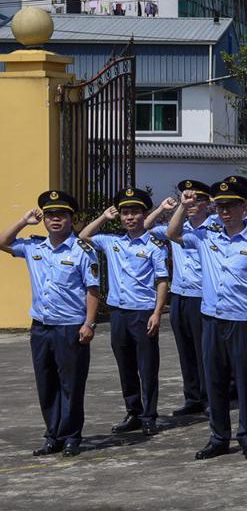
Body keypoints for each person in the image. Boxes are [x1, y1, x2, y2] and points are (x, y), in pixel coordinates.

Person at [167, 181, 247, 461]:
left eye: (231, 206)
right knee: (214, 382)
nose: (225, 211)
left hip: (244, 320)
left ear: (244, 207)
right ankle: (219, 437)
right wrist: (183, 206)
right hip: (213, 320)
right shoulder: (206, 237)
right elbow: (173, 233)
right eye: (221, 206)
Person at [1, 191, 101, 456]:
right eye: (50, 215)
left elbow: (93, 290)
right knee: (46, 384)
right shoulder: (34, 247)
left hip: (70, 326)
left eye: (62, 215)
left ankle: (71, 437)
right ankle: (52, 435)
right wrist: (23, 221)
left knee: (71, 384)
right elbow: (2, 242)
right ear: (43, 219)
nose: (55, 220)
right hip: (42, 327)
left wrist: (89, 324)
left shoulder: (82, 251)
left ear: (72, 219)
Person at [80, 188, 170, 436]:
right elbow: (84, 236)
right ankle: (133, 412)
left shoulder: (154, 246)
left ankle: (149, 415)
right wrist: (103, 218)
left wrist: (157, 312)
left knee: (148, 367)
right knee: (126, 366)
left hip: (143, 313)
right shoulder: (112, 242)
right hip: (118, 314)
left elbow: (162, 280)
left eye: (135, 212)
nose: (130, 217)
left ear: (144, 214)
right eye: (125, 213)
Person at [145, 180, 213, 417]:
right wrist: (164, 209)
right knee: (185, 350)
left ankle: (209, 398)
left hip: (202, 296)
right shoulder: (178, 225)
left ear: (207, 204)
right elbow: (146, 226)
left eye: (197, 201)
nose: (192, 205)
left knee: (204, 350)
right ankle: (192, 397)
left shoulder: (214, 228)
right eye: (189, 200)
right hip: (180, 296)